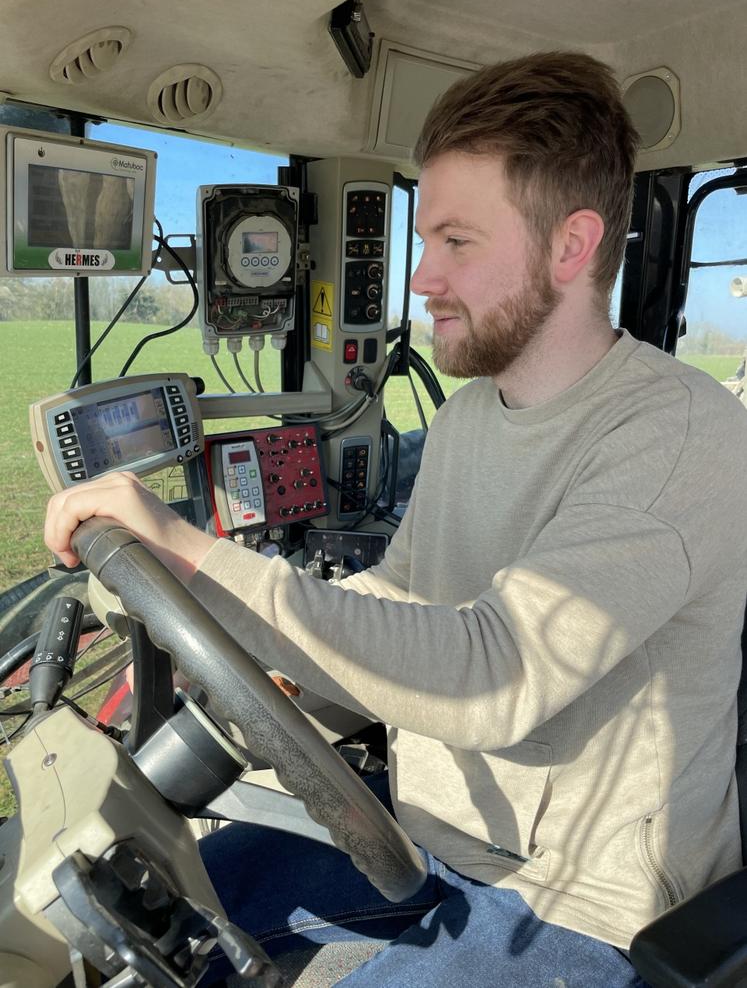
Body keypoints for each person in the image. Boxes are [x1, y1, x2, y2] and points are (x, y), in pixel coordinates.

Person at [44, 51, 747, 986]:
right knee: (156, 923)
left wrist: (198, 558)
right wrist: (252, 647)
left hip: (579, 903)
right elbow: (402, 593)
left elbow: (492, 679)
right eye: (425, 243)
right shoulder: (467, 418)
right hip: (425, 825)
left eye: (457, 243)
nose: (421, 280)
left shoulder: (678, 435)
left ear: (571, 247)